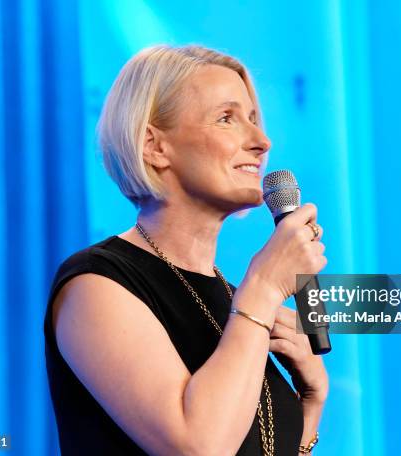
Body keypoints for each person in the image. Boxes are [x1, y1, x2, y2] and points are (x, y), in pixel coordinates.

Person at [44, 44, 329, 455]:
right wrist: (265, 286)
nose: (262, 141)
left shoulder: (237, 301)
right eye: (227, 118)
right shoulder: (96, 285)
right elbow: (198, 447)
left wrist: (311, 402)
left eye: (253, 118)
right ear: (154, 146)